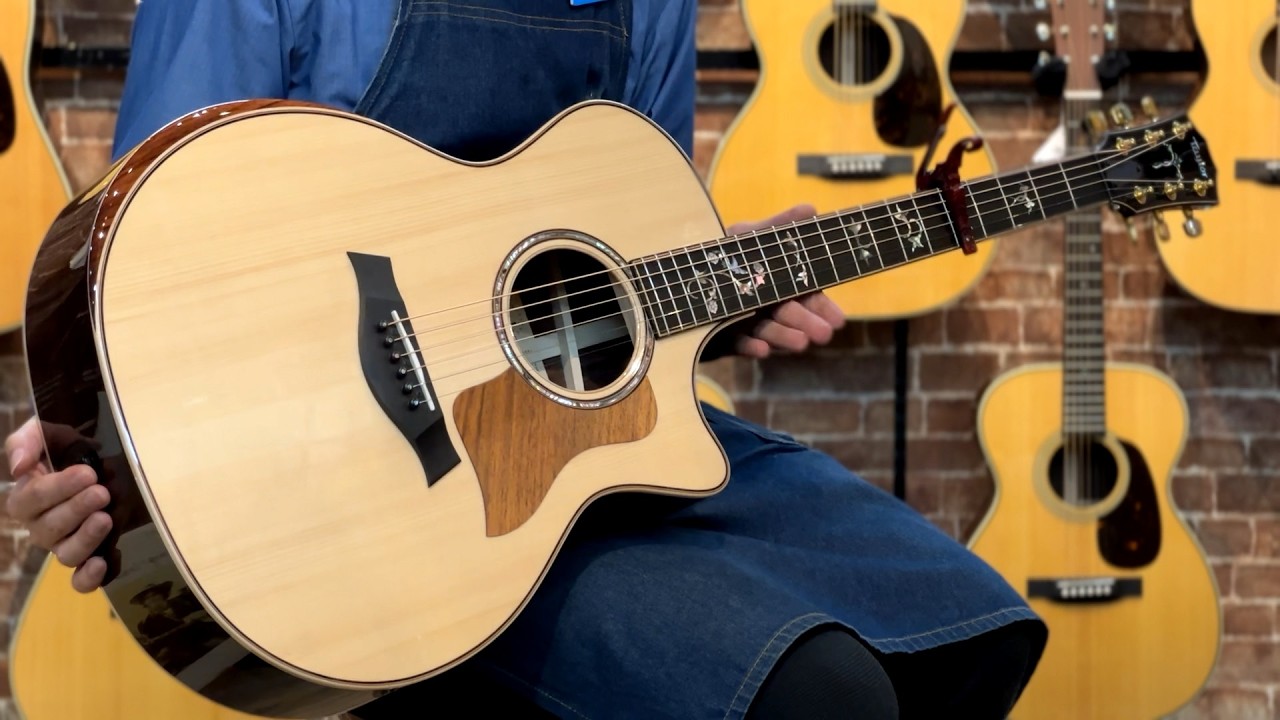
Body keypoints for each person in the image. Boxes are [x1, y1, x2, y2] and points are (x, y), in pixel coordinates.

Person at [3, 1, 1047, 718]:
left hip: (581, 456)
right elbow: (140, 247)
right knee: (819, 696)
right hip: (379, 497)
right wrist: (110, 441)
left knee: (970, 638)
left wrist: (711, 299)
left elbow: (611, 242)